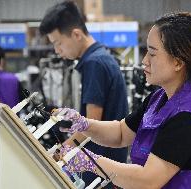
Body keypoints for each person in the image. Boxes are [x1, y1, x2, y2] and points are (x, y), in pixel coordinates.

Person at [53, 12, 191, 189]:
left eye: (152, 54)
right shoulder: (162, 96)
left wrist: (91, 162)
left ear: (178, 63)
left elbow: (147, 181)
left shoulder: (190, 115)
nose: (144, 61)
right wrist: (86, 125)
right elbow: (122, 132)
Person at [39, 1, 129, 187]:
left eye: (58, 43)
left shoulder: (94, 64)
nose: (57, 50)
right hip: (106, 161)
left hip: (98, 164)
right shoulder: (101, 58)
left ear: (76, 34)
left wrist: (59, 153)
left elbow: (88, 125)